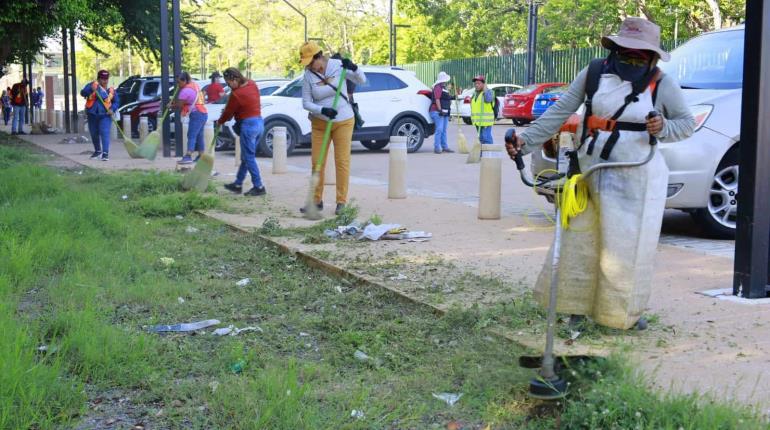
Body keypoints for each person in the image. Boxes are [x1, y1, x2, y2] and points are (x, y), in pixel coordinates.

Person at [505, 17, 695, 330]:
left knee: (625, 249)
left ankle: (623, 314)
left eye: (639, 55)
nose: (632, 60)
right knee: (580, 242)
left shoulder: (662, 84)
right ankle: (576, 310)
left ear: (651, 57)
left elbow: (685, 124)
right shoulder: (594, 73)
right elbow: (559, 111)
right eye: (626, 52)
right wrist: (525, 142)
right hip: (589, 173)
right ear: (615, 49)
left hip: (637, 180)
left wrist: (663, 127)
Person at [299, 41, 366, 215]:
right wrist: (322, 110)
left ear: (319, 56)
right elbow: (306, 102)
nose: (311, 68)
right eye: (307, 65)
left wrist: (354, 67)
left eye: (312, 63)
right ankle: (316, 200)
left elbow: (362, 80)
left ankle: (341, 202)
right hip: (320, 123)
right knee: (317, 162)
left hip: (343, 120)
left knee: (342, 162)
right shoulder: (308, 76)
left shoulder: (338, 66)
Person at [216, 67, 266, 197]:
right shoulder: (252, 83)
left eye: (228, 83)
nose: (228, 86)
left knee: (249, 157)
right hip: (259, 123)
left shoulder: (236, 94)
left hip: (248, 126)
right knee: (246, 157)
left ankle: (259, 186)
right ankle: (238, 184)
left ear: (235, 79)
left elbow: (228, 113)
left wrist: (220, 121)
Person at [80, 69, 120, 161]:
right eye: (102, 79)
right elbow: (83, 93)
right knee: (94, 133)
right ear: (98, 79)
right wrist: (91, 89)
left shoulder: (111, 91)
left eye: (106, 79)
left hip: (105, 115)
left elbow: (117, 102)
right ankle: (97, 151)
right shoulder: (92, 86)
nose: (105, 81)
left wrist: (112, 109)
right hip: (92, 114)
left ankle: (105, 153)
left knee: (104, 133)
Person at [169, 72, 208, 164]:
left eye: (179, 82)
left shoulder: (185, 91)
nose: (178, 85)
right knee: (199, 136)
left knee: (191, 135)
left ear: (185, 81)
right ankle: (201, 156)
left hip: (196, 114)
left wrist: (170, 106)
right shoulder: (194, 85)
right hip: (203, 113)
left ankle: (188, 155)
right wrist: (174, 103)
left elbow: (179, 105)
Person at [430, 71, 453, 154]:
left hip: (444, 112)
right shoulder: (438, 87)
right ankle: (437, 147)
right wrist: (440, 110)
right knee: (439, 129)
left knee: (443, 130)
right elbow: (437, 99)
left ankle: (445, 146)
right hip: (437, 111)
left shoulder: (443, 88)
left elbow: (446, 99)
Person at [470, 75, 495, 145]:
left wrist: (485, 91)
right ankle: (482, 154)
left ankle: (489, 154)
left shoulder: (489, 92)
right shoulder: (475, 93)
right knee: (481, 138)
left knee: (486, 138)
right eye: (475, 83)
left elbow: (488, 99)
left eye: (479, 83)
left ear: (484, 84)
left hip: (485, 121)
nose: (476, 85)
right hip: (477, 121)